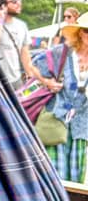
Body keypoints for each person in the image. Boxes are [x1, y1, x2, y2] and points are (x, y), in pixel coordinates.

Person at [34, 12, 88, 182]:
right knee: (52, 175)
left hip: (82, 125)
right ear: (80, 32)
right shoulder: (62, 53)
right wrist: (47, 82)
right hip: (56, 119)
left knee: (76, 176)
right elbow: (33, 69)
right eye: (87, 31)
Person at [0, 0, 40, 89]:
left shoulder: (22, 26)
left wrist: (30, 75)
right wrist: (0, 20)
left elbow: (25, 53)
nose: (19, 4)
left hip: (16, 79)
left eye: (19, 1)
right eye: (14, 1)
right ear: (3, 6)